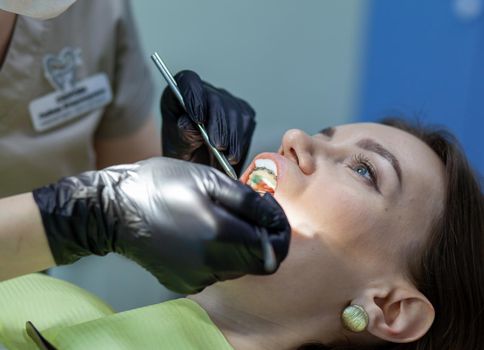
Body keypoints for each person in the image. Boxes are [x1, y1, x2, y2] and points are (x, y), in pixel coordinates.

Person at [1, 118, 481, 349]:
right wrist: (80, 217)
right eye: (324, 133)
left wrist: (84, 215)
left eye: (363, 170)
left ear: (389, 309)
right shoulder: (52, 301)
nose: (295, 138)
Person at [0, 0, 256, 305]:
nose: (296, 139)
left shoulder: (94, 10)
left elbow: (135, 202)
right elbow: (113, 209)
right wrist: (87, 217)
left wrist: (184, 179)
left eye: (329, 154)